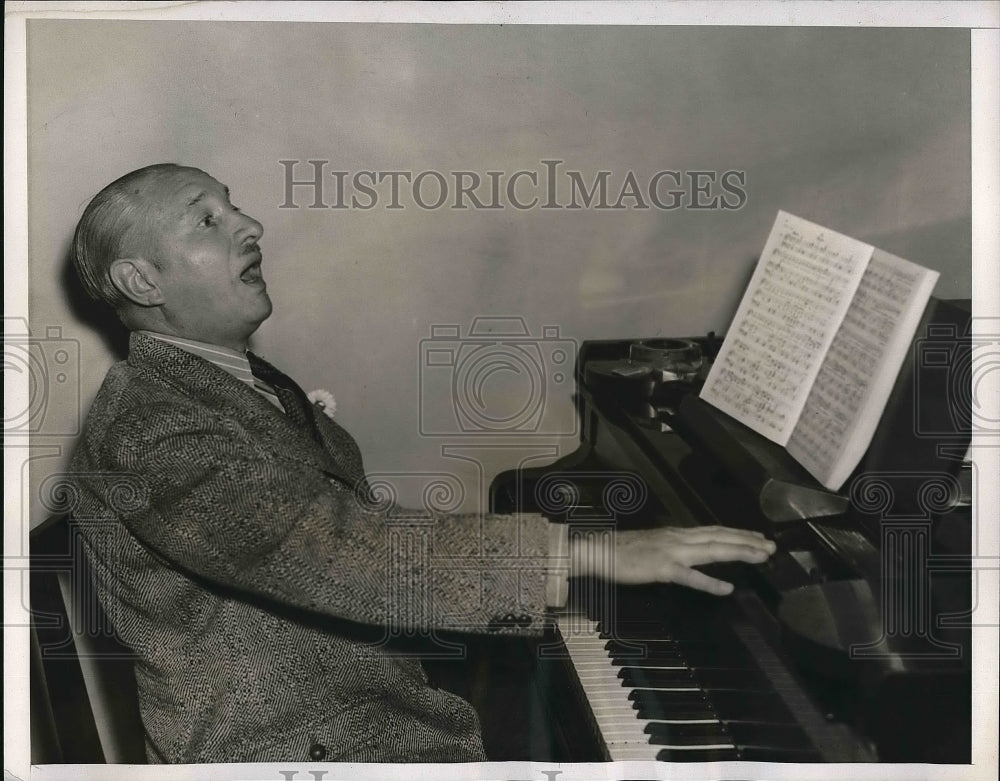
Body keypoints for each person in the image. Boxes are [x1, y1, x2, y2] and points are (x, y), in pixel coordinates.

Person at [67, 163, 777, 763]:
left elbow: (334, 524)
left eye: (234, 207)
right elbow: (333, 548)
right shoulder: (152, 427)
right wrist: (589, 551)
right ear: (140, 280)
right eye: (208, 222)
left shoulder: (222, 376)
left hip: (357, 697)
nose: (249, 227)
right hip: (290, 744)